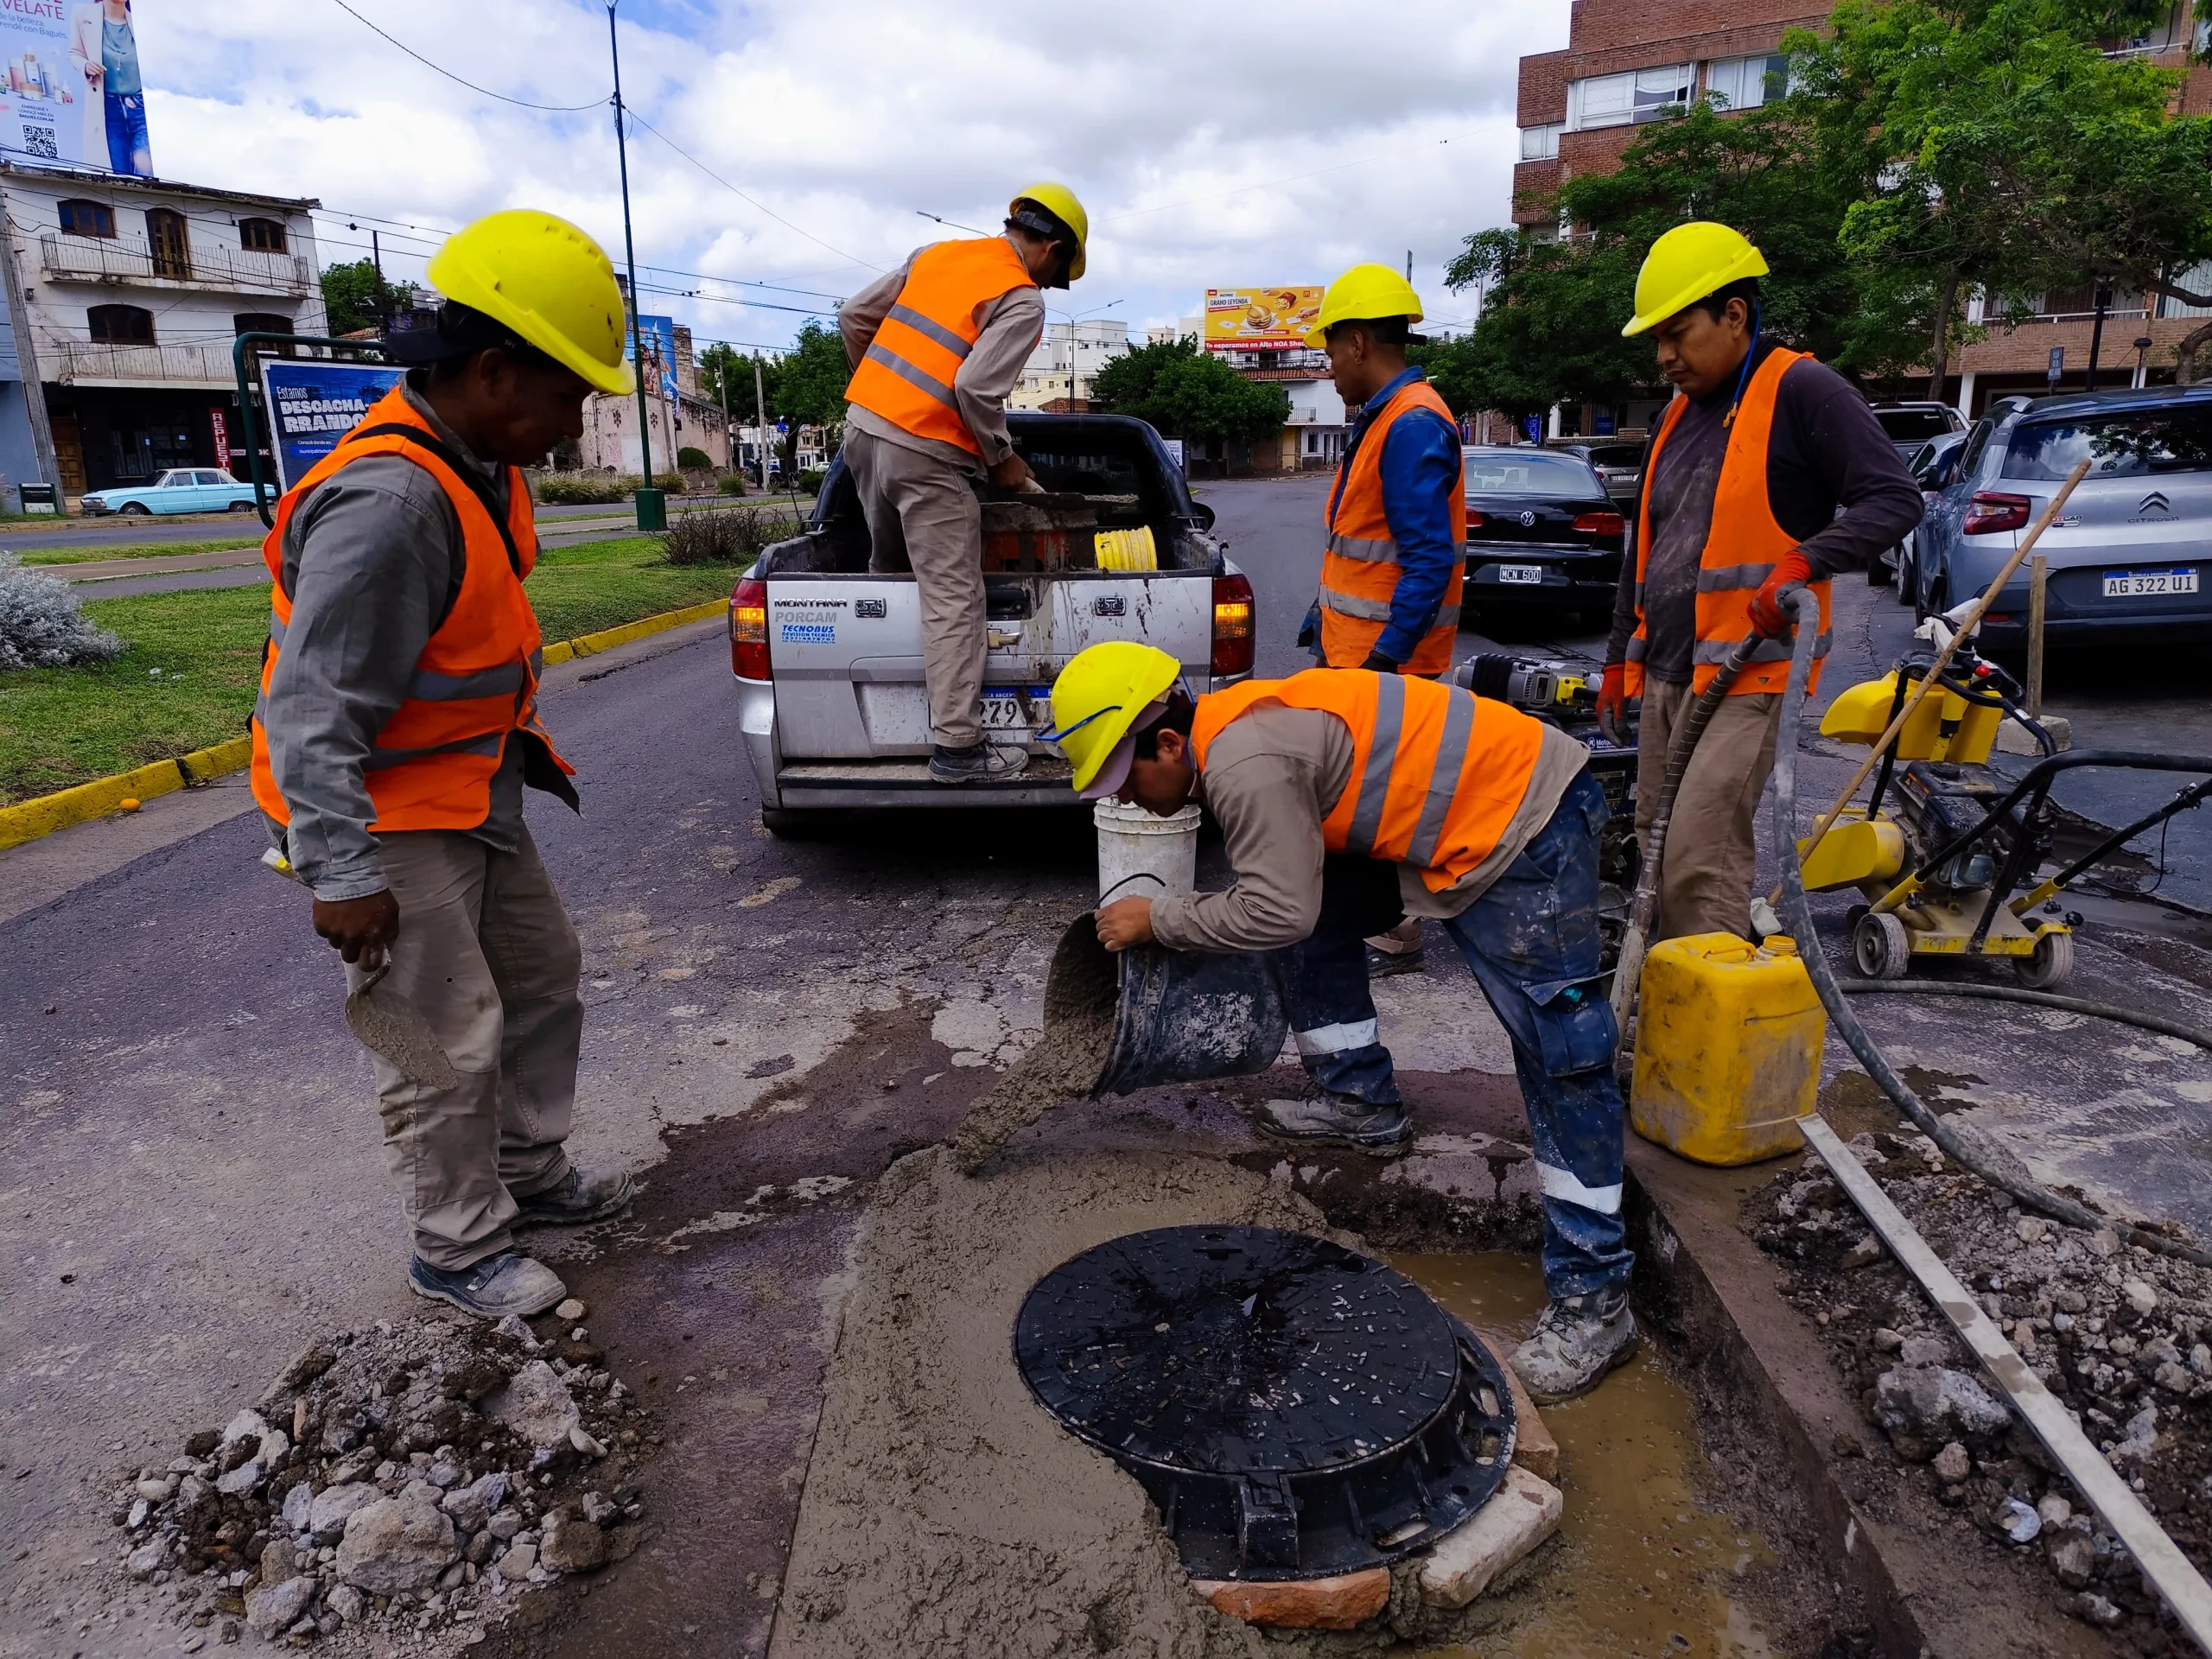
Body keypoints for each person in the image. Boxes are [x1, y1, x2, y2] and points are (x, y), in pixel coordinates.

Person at [1045, 641, 1637, 1402]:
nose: (1125, 801)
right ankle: (1360, 1101)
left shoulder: (1243, 765)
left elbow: (1275, 910)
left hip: (1523, 823)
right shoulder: (1234, 732)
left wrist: (1160, 919)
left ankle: (1596, 1299)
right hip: (1444, 817)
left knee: (1562, 1054)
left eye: (1126, 780)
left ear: (1167, 742)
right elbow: (1290, 903)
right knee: (1303, 914)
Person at [250, 210, 639, 1320]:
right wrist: (339, 871)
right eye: (568, 394)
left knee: (539, 977)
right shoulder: (391, 502)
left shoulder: (476, 460)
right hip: (382, 816)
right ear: (492, 372)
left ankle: (527, 1175)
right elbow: (310, 707)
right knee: (441, 1032)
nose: (577, 419)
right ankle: (457, 1248)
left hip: (470, 790)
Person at [1597, 222, 1923, 941]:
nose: (1664, 357)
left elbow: (1894, 500)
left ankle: (1714, 1044)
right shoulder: (1678, 416)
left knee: (1697, 862)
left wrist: (1805, 561)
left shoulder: (1801, 388)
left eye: (1678, 334)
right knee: (1650, 850)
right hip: (1667, 672)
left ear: (1734, 314)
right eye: (1657, 340)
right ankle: (1667, 1017)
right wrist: (1620, 658)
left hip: (1747, 679)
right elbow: (1645, 554)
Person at [838, 184, 1089, 783]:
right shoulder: (1022, 299)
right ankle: (958, 749)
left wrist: (882, 397)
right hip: (926, 452)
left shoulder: (937, 254)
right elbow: (975, 389)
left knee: (893, 576)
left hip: (863, 432)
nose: (1048, 286)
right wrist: (1001, 458)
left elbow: (853, 317)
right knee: (954, 598)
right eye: (1056, 274)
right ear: (1051, 248)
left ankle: (895, 719)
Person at [1295, 264, 1468, 979]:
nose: (1328, 367)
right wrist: (1321, 616)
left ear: (1360, 342)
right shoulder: (1391, 419)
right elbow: (1366, 545)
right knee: (1368, 795)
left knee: (1381, 800)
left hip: (1384, 664)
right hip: (1359, 653)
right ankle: (1382, 925)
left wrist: (1385, 659)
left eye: (1331, 350)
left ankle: (1394, 932)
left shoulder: (1410, 424)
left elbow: (1428, 560)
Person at [69, 0, 151, 176]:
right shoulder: (83, 14)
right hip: (108, 107)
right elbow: (75, 53)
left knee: (147, 173)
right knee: (119, 173)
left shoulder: (142, 21)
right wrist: (85, 66)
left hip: (141, 108)